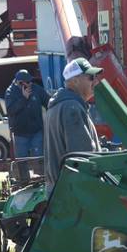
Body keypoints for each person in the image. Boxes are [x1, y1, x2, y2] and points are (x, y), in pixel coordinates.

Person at [44, 58, 103, 194]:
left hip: (61, 189)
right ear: (75, 81)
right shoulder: (72, 108)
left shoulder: (59, 105)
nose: (96, 81)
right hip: (73, 192)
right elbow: (82, 156)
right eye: (91, 77)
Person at [5, 69, 50, 158]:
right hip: (20, 133)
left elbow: (48, 102)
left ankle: (38, 172)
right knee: (22, 161)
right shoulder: (10, 92)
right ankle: (24, 172)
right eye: (28, 82)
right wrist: (24, 98)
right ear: (20, 83)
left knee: (39, 159)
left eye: (30, 81)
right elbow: (10, 110)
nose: (30, 84)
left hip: (36, 131)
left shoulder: (36, 89)